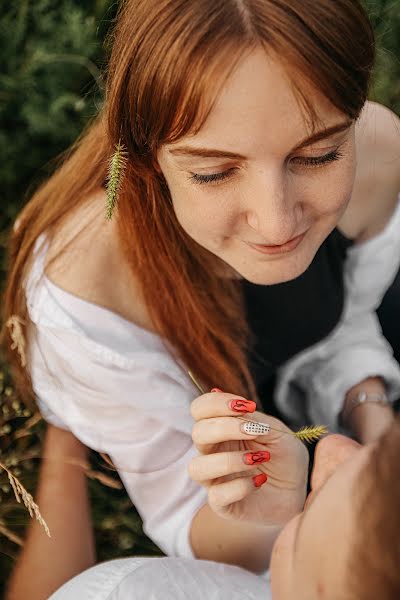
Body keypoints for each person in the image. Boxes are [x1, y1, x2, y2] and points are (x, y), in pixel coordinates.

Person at [2, 0, 400, 569]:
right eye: (213, 172)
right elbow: (185, 517)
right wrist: (269, 512)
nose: (277, 223)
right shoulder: (87, 299)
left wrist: (370, 411)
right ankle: (70, 429)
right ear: (146, 159)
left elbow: (353, 317)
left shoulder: (381, 153)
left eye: (318, 154)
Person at [5, 416, 400, 599]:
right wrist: (274, 525)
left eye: (325, 495)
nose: (333, 445)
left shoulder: (133, 593)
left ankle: (63, 445)